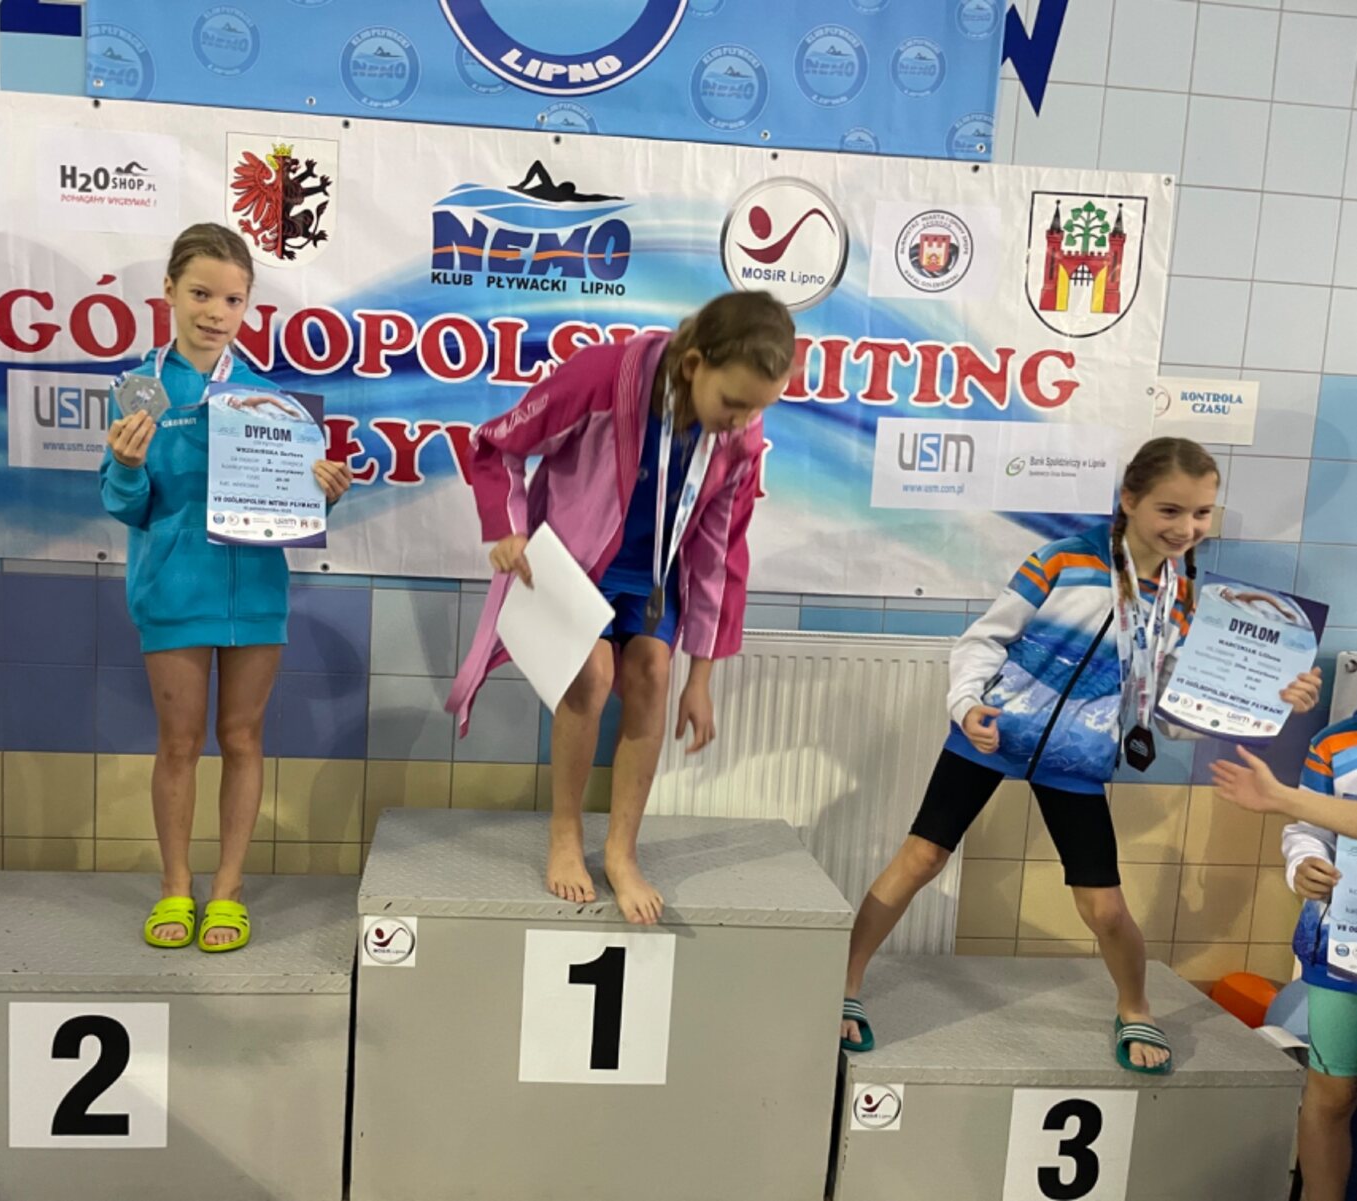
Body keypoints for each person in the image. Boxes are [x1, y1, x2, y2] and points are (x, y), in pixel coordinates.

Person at [837, 437, 1322, 1072]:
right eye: (1170, 510)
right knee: (920, 858)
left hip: (1077, 758)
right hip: (993, 733)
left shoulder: (1181, 598)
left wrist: (1269, 702)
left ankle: (1135, 1007)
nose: (1187, 528)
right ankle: (843, 985)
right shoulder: (1063, 560)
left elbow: (1168, 712)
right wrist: (967, 705)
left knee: (1103, 906)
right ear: (1130, 500)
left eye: (1202, 513)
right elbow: (985, 640)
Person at [447, 292, 795, 925]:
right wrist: (506, 528)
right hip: (577, 564)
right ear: (694, 364)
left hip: (651, 577)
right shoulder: (603, 377)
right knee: (593, 675)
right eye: (734, 403)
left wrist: (702, 678)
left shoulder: (738, 439)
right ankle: (564, 834)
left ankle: (621, 852)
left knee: (652, 675)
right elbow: (497, 445)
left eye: (758, 409)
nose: (742, 421)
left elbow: (721, 556)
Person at [101, 222, 353, 952]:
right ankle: (175, 887)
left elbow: (287, 513)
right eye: (201, 294)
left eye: (233, 300)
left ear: (248, 307)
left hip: (256, 595)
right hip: (173, 591)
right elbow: (126, 506)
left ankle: (228, 890)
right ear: (170, 292)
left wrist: (322, 496)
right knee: (178, 744)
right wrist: (126, 467)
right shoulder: (138, 391)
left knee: (242, 738)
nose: (216, 312)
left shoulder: (270, 401)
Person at [1214, 734, 1357, 1201]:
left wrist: (1279, 796)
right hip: (1340, 949)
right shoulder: (1334, 744)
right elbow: (1308, 831)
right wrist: (1305, 863)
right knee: (1332, 1095)